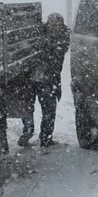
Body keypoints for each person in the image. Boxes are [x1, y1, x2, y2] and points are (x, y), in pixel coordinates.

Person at [20, 13, 70, 147]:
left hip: (38, 78)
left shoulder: (54, 37)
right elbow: (55, 55)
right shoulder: (58, 37)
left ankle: (34, 133)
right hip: (44, 79)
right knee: (44, 110)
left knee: (35, 108)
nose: (55, 27)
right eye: (53, 24)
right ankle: (41, 136)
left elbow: (55, 53)